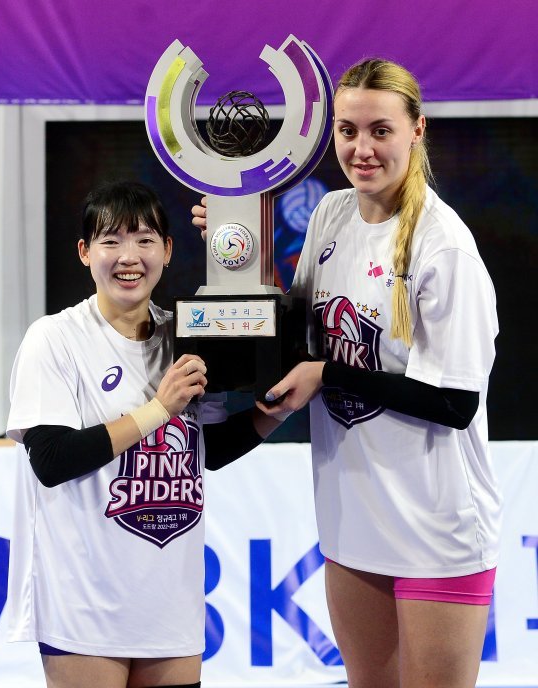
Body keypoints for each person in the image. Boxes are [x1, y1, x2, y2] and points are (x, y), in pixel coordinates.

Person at [192, 58, 501, 688]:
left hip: (437, 529)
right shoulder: (331, 215)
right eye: (348, 130)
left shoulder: (443, 245)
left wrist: (329, 374)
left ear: (417, 129)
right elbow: (300, 340)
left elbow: (456, 403)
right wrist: (241, 260)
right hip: (351, 522)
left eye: (381, 130)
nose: (362, 149)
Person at [7, 180, 283, 688]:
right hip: (85, 602)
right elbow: (51, 460)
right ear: (85, 252)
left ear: (168, 250)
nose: (129, 257)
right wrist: (159, 409)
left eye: (145, 240)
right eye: (111, 241)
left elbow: (207, 451)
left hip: (171, 603)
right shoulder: (55, 338)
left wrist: (275, 414)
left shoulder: (188, 334)